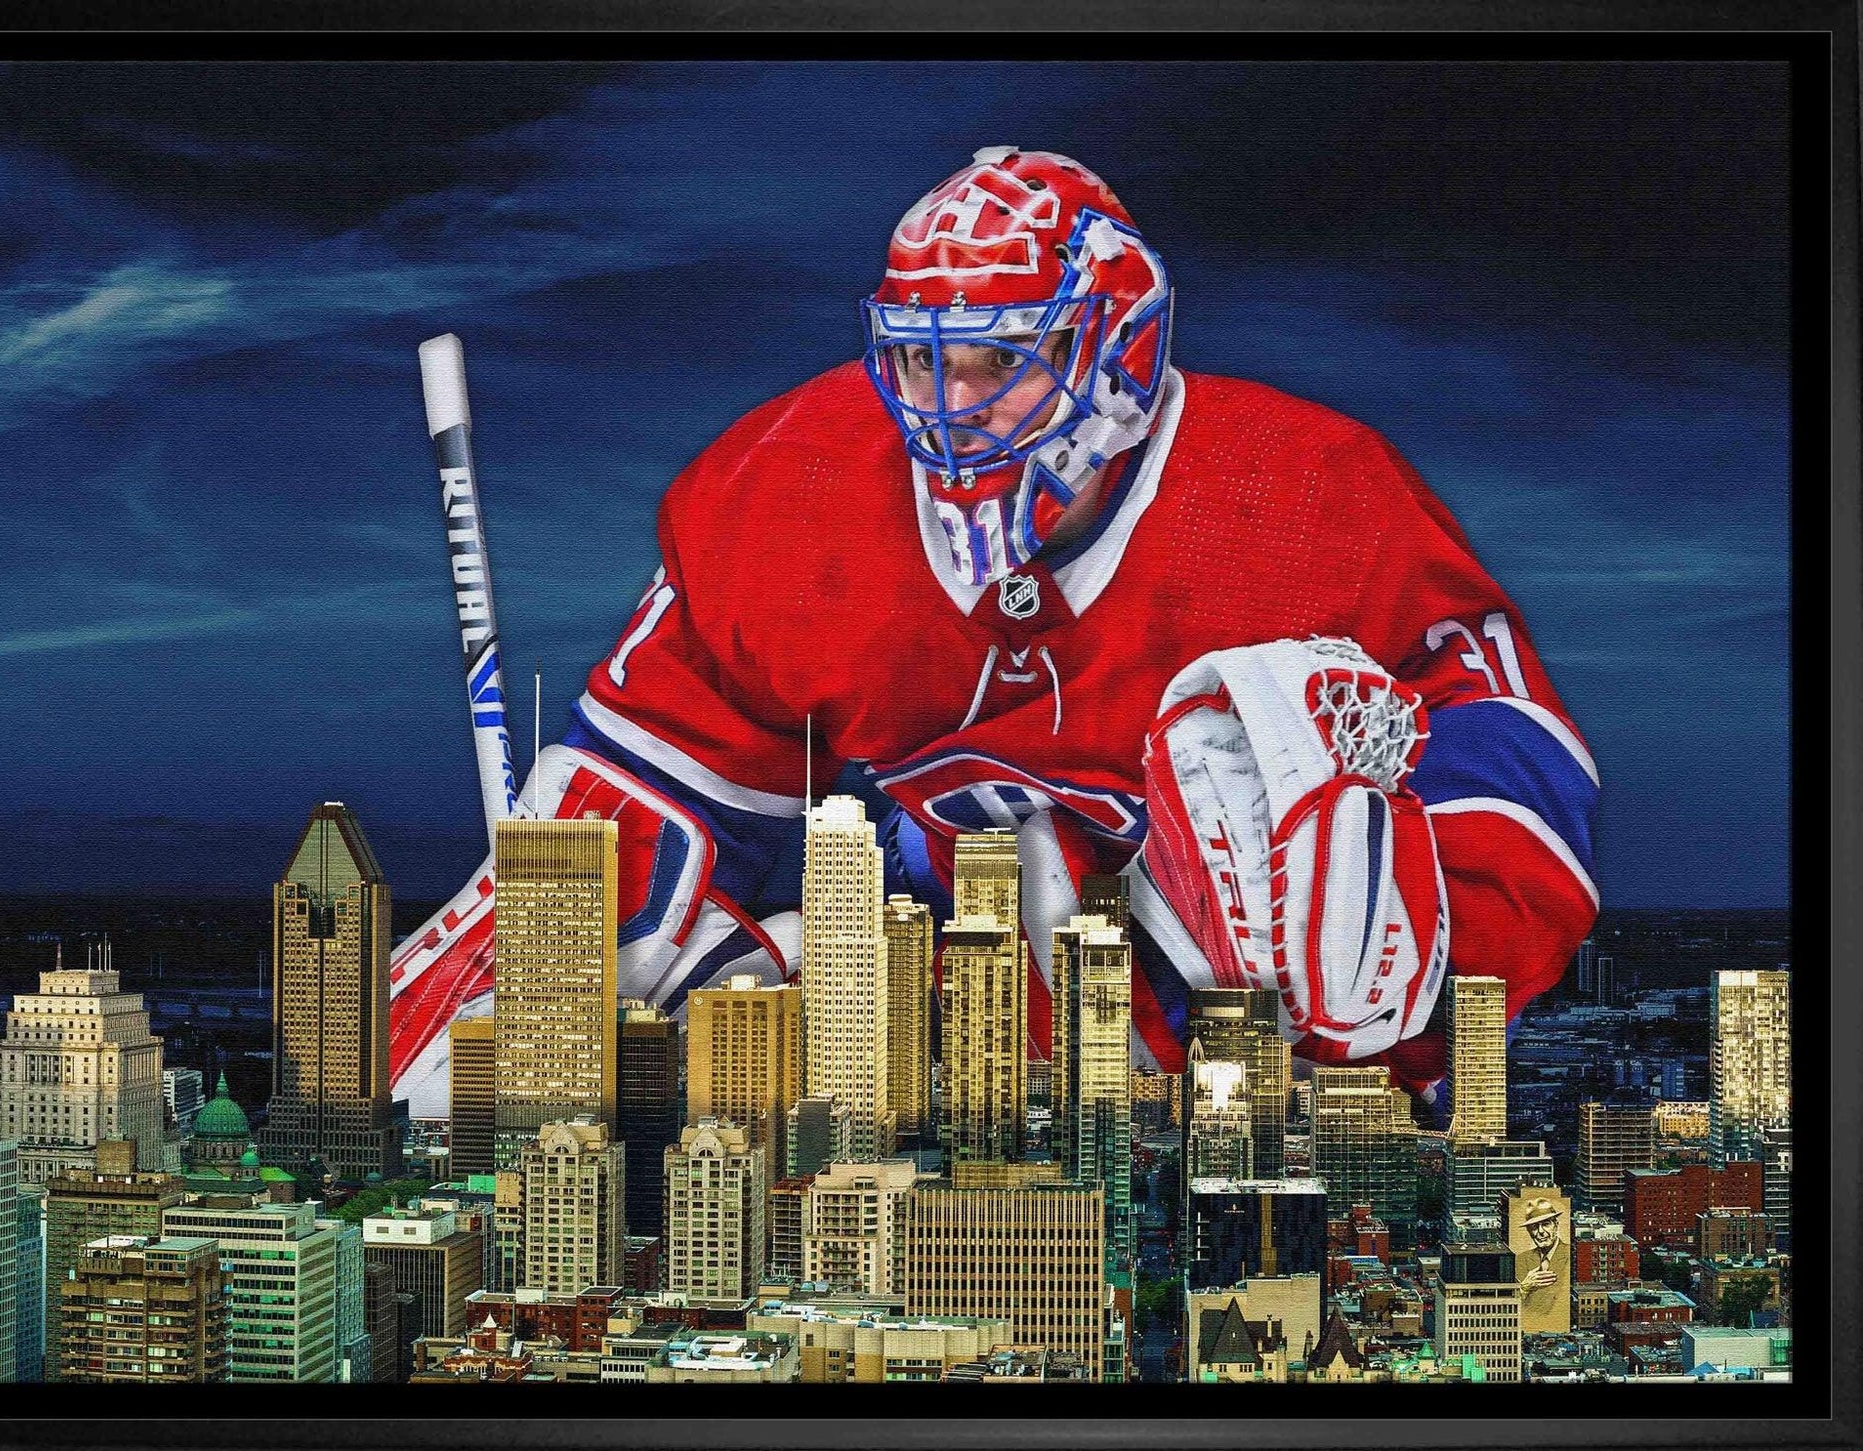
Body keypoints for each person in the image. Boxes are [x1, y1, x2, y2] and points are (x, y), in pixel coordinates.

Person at [522, 147, 1600, 1093]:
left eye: (997, 360)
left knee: (1261, 813)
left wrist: (1433, 929)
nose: (946, 404)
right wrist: (563, 982)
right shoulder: (789, 488)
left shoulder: (1304, 497)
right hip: (980, 1031)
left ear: (1116, 353)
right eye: (918, 356)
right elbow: (645, 776)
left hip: (1246, 1065)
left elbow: (1498, 724)